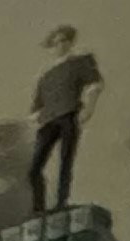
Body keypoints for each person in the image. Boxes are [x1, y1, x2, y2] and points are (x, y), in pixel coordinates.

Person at [31, 28, 102, 211]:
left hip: (68, 116)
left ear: (70, 42)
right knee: (34, 169)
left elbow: (95, 84)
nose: (60, 45)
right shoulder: (46, 76)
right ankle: (38, 208)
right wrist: (38, 117)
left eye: (63, 41)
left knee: (65, 161)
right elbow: (36, 107)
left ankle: (61, 202)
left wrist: (88, 108)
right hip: (49, 121)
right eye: (55, 43)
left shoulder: (79, 62)